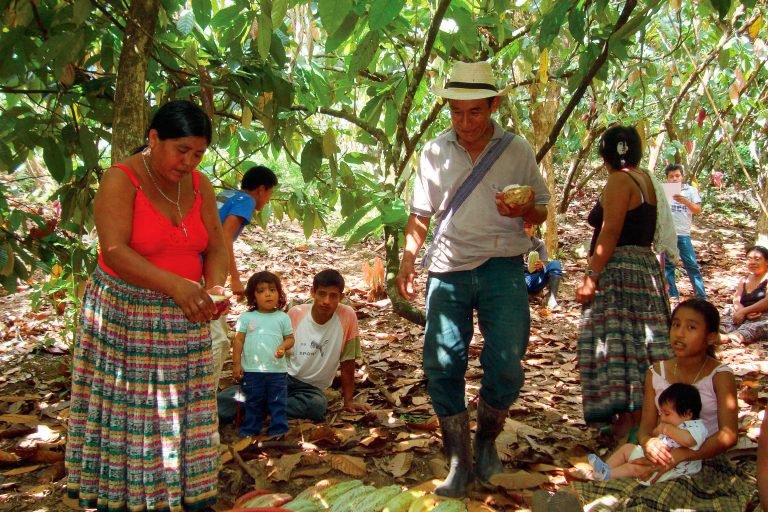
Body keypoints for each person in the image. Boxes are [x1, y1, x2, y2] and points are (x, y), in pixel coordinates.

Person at [396, 61, 551, 497]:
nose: (465, 123)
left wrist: (523, 210)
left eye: (475, 112)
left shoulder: (516, 149)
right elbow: (420, 214)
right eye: (457, 112)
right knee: (442, 363)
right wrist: (408, 261)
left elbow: (540, 207)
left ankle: (485, 441)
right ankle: (459, 458)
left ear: (494, 106)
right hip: (447, 267)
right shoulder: (433, 151)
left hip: (502, 263)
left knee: (506, 360)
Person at [65, 100, 227, 511]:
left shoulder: (201, 185)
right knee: (133, 416)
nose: (189, 161)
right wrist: (175, 286)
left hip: (183, 318)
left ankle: (180, 496)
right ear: (154, 139)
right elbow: (115, 251)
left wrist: (216, 286)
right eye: (182, 150)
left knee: (179, 415)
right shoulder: (120, 180)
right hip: (126, 319)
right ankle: (128, 499)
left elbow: (216, 244)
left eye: (198, 154)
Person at [535, 298, 746, 512]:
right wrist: (648, 444)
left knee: (664, 492)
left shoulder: (719, 375)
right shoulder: (656, 372)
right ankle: (572, 502)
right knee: (629, 475)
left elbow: (728, 435)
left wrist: (683, 455)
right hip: (660, 453)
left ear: (711, 337)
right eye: (676, 324)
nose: (680, 333)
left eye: (691, 327)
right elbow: (645, 428)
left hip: (701, 459)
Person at [575, 125, 676, 442]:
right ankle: (636, 420)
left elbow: (610, 232)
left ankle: (631, 424)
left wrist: (591, 276)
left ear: (605, 154)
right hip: (643, 271)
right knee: (639, 347)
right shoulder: (645, 178)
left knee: (621, 346)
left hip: (621, 274)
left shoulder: (620, 180)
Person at [211, 166, 278, 392]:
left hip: (195, 262)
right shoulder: (246, 201)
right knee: (217, 339)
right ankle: (206, 397)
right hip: (206, 268)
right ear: (261, 190)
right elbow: (224, 237)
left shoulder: (227, 195)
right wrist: (235, 278)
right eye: (270, 194)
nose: (268, 200)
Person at [286, 269, 371, 421]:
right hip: (285, 377)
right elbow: (280, 350)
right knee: (237, 396)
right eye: (322, 293)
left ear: (341, 297)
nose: (326, 301)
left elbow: (348, 361)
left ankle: (264, 405)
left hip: (311, 389)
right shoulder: (296, 313)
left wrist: (348, 401)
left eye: (333, 296)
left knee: (317, 407)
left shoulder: (347, 316)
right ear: (313, 293)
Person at [587, 382, 707, 484]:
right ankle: (605, 468)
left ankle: (605, 476)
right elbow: (655, 435)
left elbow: (688, 440)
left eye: (667, 414)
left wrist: (666, 429)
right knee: (627, 449)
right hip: (656, 460)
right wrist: (655, 438)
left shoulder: (696, 426)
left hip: (674, 470)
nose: (663, 418)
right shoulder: (671, 424)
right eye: (661, 413)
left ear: (688, 414)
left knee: (633, 468)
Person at [232, 271, 294, 437]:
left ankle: (278, 430)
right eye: (261, 291)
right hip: (252, 370)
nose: (268, 294)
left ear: (279, 293)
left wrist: (283, 346)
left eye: (272, 290)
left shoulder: (282, 317)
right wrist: (237, 364)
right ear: (253, 296)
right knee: (253, 401)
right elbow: (238, 341)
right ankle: (250, 430)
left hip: (277, 371)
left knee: (278, 402)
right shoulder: (246, 317)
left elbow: (290, 339)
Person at [663, 164, 707, 300]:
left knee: (691, 265)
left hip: (683, 234)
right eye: (671, 177)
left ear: (682, 176)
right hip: (668, 234)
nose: (674, 179)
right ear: (667, 178)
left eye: (677, 176)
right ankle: (673, 295)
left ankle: (701, 295)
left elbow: (698, 210)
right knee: (668, 266)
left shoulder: (690, 190)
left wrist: (685, 201)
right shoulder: (664, 190)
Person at [720, 245, 768, 345]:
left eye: (757, 259)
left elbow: (766, 302)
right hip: (743, 315)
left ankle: (728, 339)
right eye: (749, 259)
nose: (752, 262)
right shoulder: (744, 280)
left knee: (750, 329)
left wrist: (745, 311)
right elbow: (736, 299)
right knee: (720, 326)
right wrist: (742, 312)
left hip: (763, 317)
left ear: (767, 262)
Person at [523, 222, 563, 309]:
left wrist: (541, 267)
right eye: (523, 227)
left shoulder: (539, 244)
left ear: (533, 228)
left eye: (529, 227)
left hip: (534, 279)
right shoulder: (512, 244)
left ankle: (551, 298)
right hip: (518, 280)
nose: (526, 230)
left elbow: (545, 265)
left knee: (555, 264)